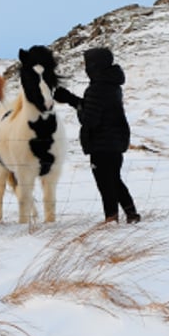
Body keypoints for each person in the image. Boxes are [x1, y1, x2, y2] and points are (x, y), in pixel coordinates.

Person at [53, 47, 140, 224]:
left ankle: (111, 218)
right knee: (114, 180)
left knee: (105, 183)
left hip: (101, 143)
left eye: (87, 64)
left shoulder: (97, 87)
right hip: (115, 141)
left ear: (95, 65)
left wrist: (74, 104)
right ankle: (131, 214)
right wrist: (71, 99)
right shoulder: (111, 84)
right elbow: (94, 107)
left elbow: (89, 119)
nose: (86, 68)